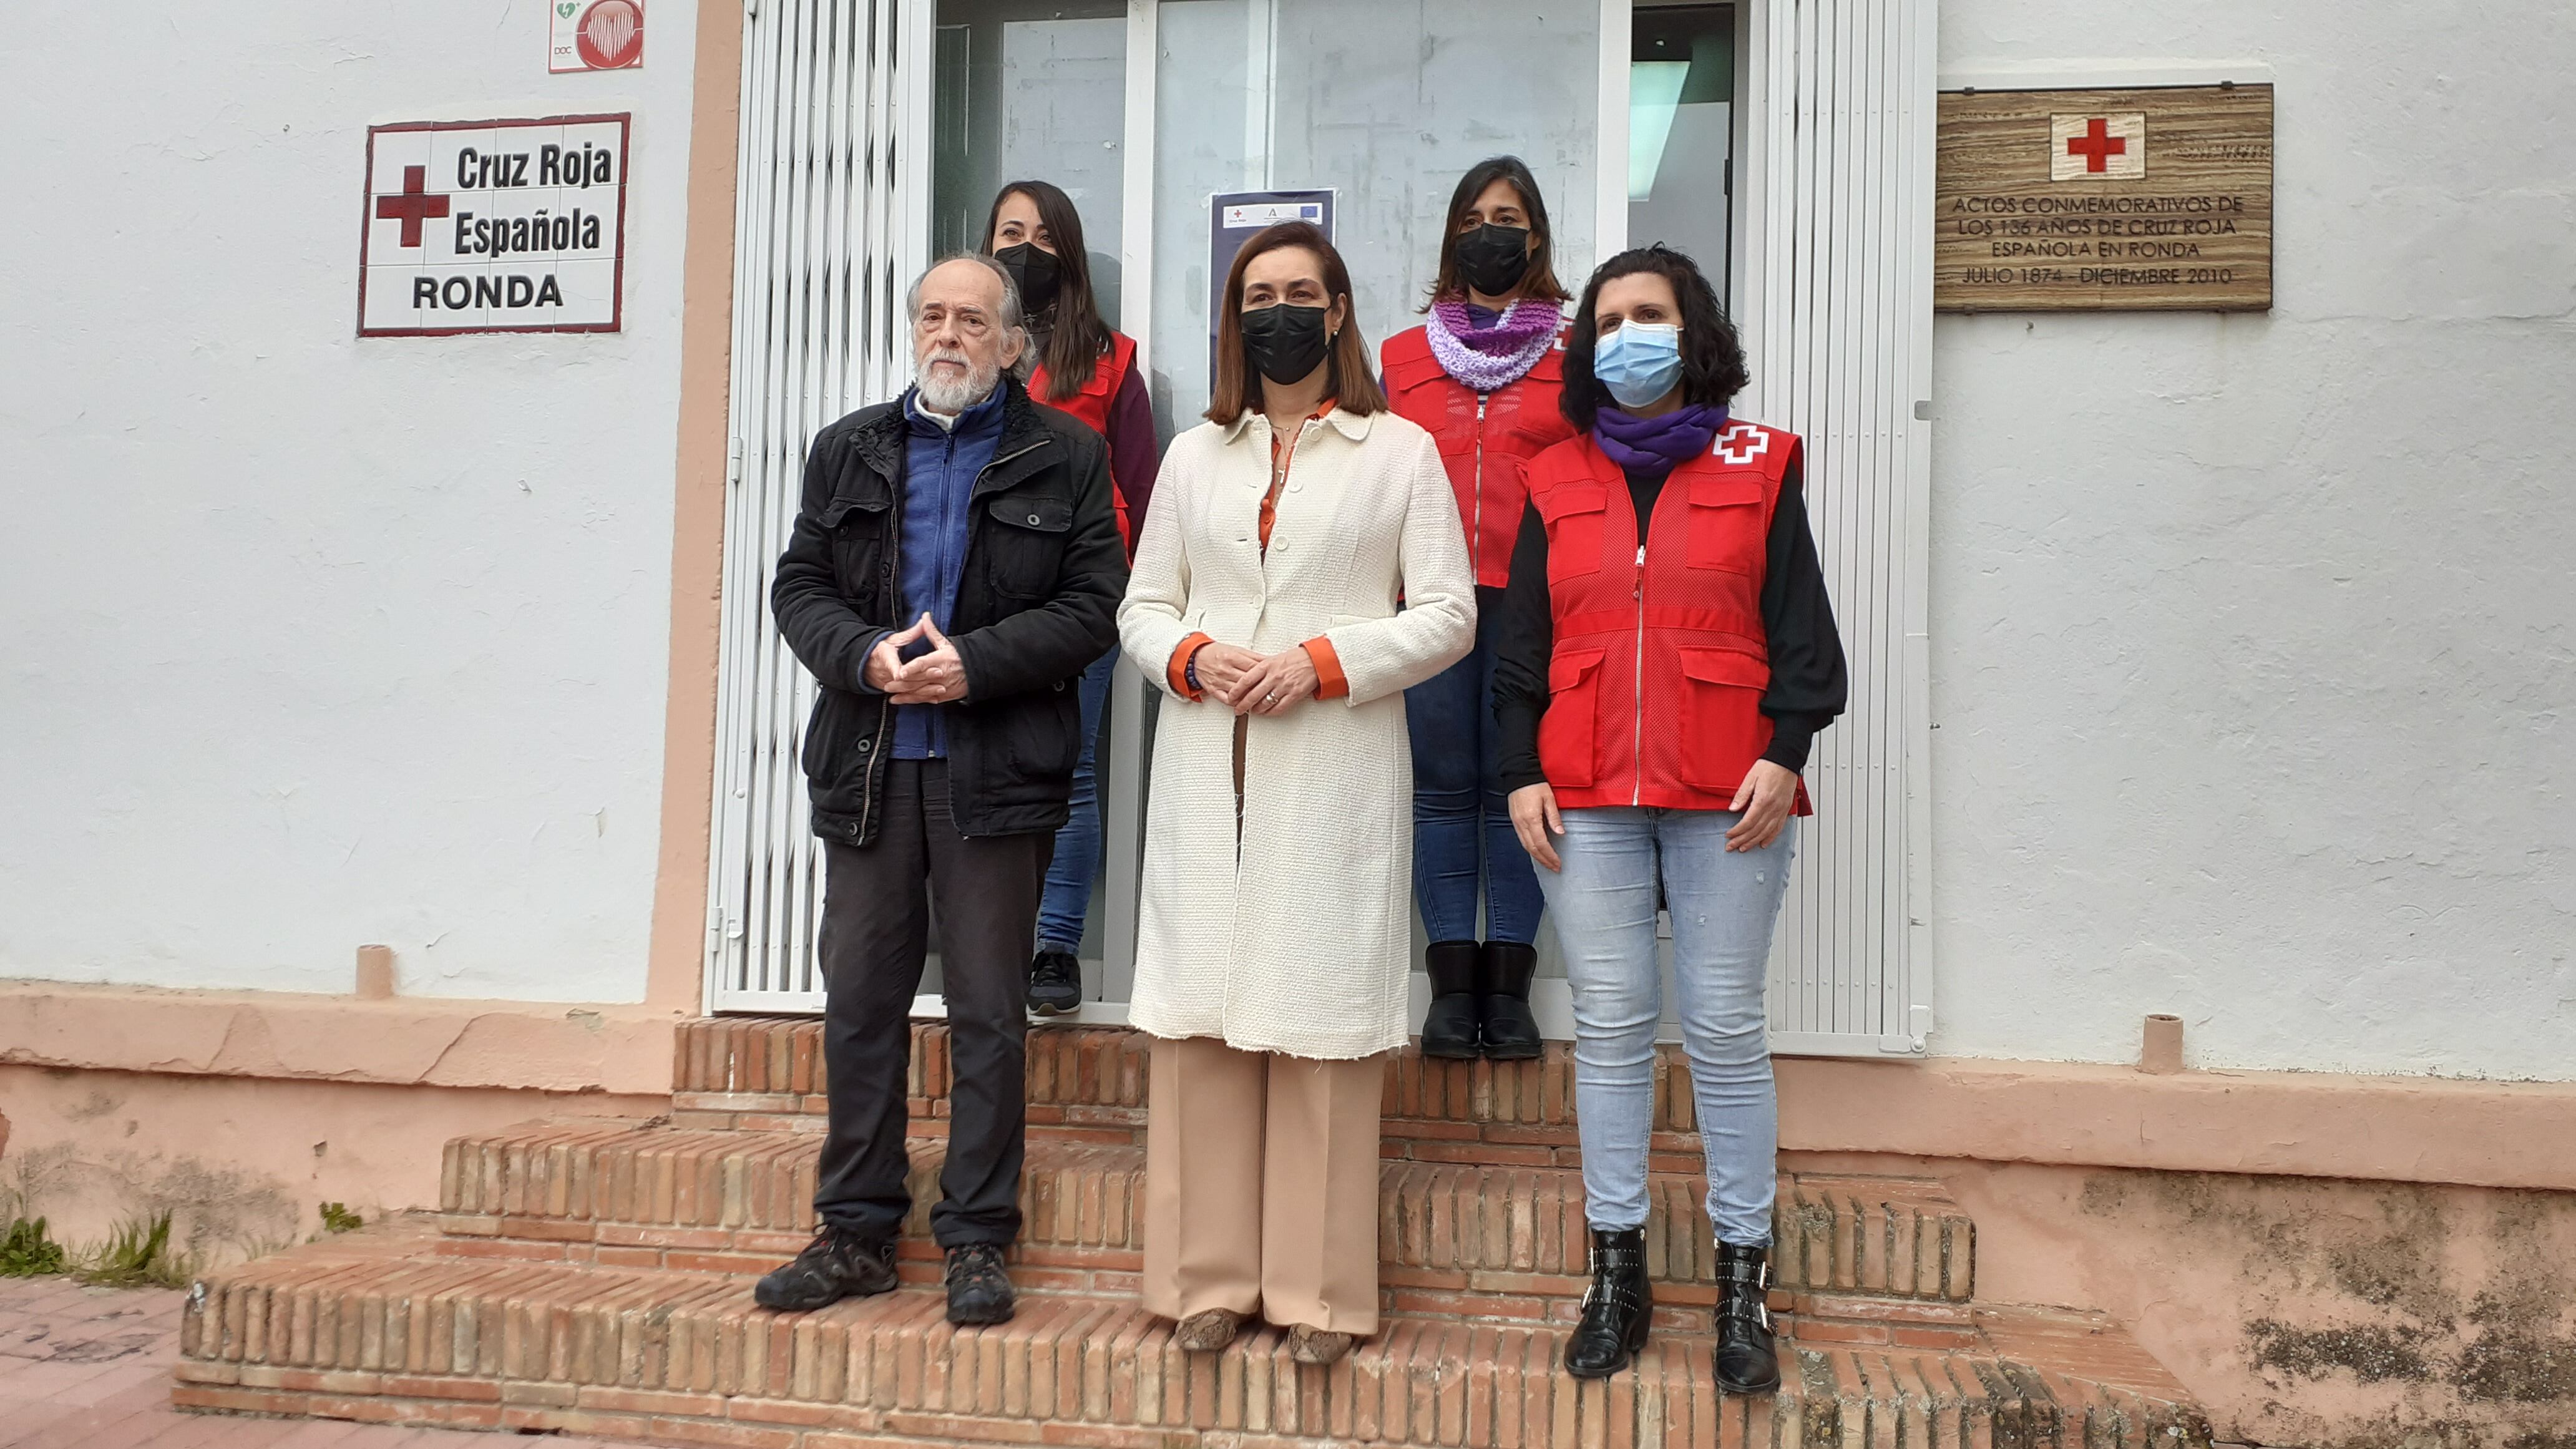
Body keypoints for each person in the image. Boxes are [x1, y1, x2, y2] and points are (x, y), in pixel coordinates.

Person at [1118, 222, 1474, 1367]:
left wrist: (1325, 661)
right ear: (1237, 319)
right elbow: (1141, 606)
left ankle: (1319, 1294)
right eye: (1258, 294)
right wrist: (1191, 654)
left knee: (1318, 1015)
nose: (1279, 311)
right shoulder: (1193, 455)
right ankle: (1204, 1279)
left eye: (1300, 292)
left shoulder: (1401, 452)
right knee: (1203, 1018)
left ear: (1338, 311)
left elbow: (1450, 614)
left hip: (1332, 762)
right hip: (1205, 756)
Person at [1492, 245, 1846, 1392]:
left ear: (1694, 332)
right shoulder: (1555, 473)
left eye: (1648, 314)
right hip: (1584, 792)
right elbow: (1522, 644)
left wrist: (1785, 754)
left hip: (1729, 793)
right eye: (1607, 321)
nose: (1626, 334)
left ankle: (1743, 1280)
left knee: (1726, 1028)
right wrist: (1519, 769)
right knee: (1609, 1028)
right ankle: (1618, 1274)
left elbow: (1803, 633)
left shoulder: (1761, 459)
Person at [757, 254, 1127, 1326]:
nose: (949, 335)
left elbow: (1096, 602)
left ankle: (977, 1237)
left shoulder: (1067, 454)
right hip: (870, 762)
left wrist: (977, 663)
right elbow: (800, 584)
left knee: (988, 1014)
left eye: (973, 319)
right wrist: (864, 654)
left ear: (1013, 343)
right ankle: (856, 1231)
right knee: (860, 1005)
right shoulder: (849, 448)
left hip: (996, 771)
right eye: (933, 316)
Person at [1378, 156, 1576, 1061]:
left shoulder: (1576, 351)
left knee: (1518, 782)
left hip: (1538, 601)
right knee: (1442, 786)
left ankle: (1512, 988)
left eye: (1506, 218)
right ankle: (1453, 989)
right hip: (1429, 599)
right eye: (1471, 220)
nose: (1488, 233)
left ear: (1534, 237)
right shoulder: (1401, 356)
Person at [982, 180, 1161, 1020]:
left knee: (1070, 765)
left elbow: (1143, 488)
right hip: (983, 591)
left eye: (1045, 237)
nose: (1027, 250)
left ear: (1072, 254)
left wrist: (1142, 594)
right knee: (984, 761)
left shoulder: (1112, 360)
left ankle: (1055, 944)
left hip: (1084, 592)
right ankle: (993, 940)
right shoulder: (970, 349)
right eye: (1011, 232)